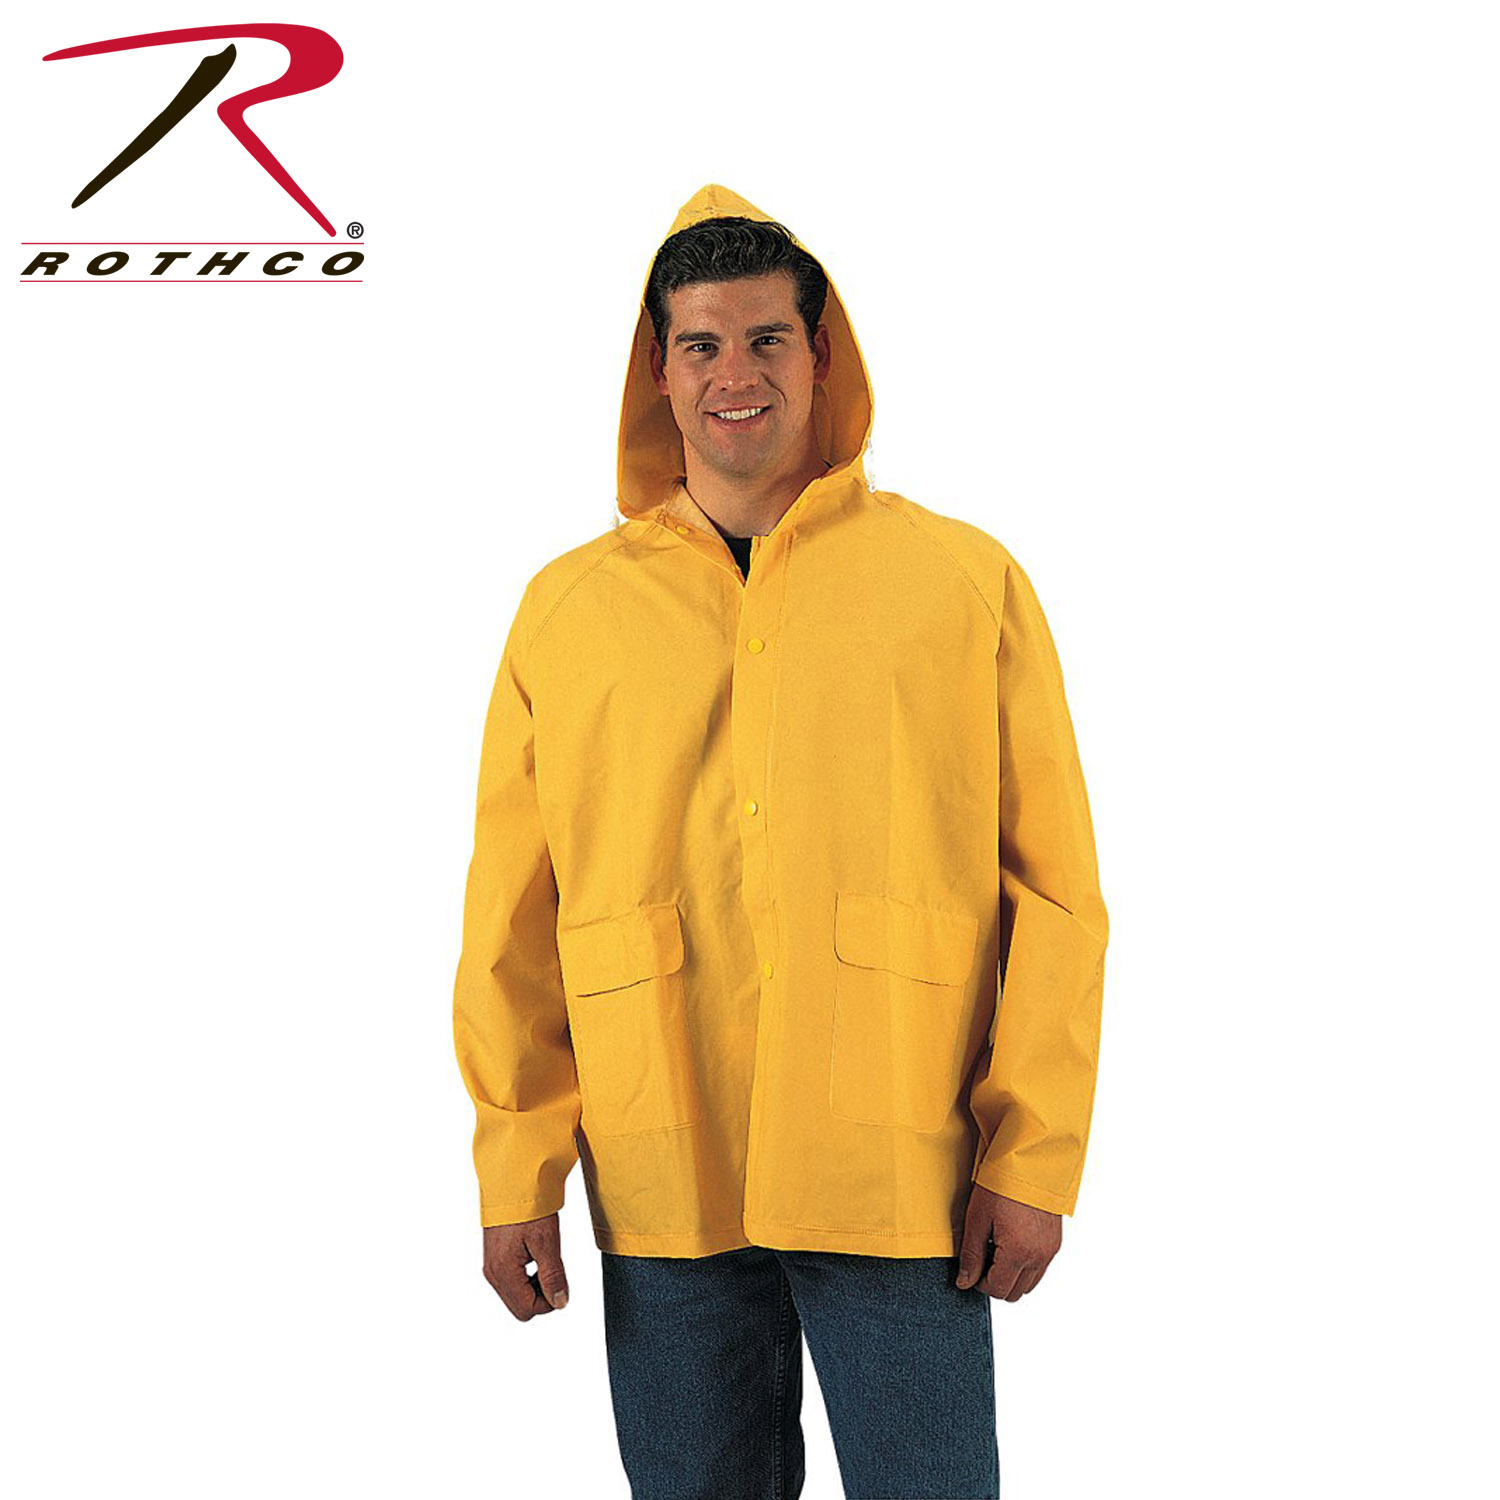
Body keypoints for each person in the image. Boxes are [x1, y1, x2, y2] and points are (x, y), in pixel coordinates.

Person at [452, 183, 1110, 1500]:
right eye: (701, 344)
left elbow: (1053, 891)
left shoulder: (961, 582)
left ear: (823, 356)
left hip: (902, 1162)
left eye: (767, 339)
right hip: (664, 1162)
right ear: (659, 370)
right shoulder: (567, 611)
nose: (735, 375)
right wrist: (516, 1162)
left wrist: (1033, 1152)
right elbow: (514, 915)